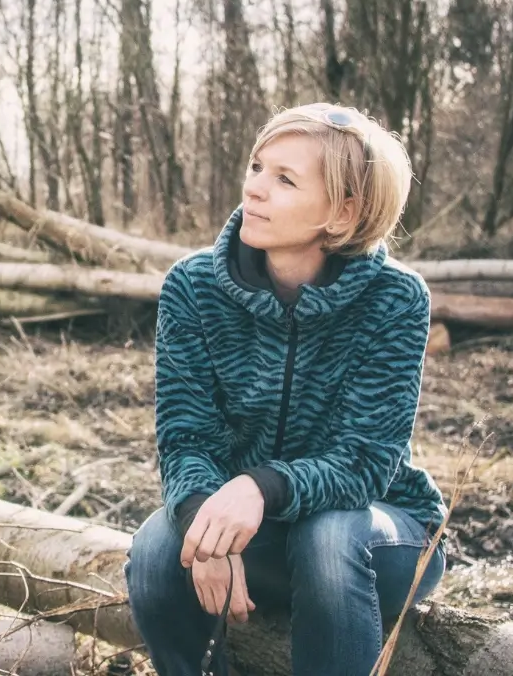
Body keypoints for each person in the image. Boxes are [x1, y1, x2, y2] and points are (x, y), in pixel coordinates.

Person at [125, 103, 448, 676]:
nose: (254, 190)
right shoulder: (193, 288)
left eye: (284, 179)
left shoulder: (396, 300)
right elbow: (185, 438)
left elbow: (365, 463)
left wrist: (259, 487)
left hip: (378, 537)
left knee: (327, 535)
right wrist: (207, 529)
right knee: (156, 548)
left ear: (343, 213)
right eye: (256, 167)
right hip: (259, 537)